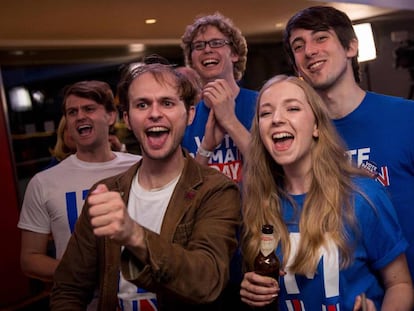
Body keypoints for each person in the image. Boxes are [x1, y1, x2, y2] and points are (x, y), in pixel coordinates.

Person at [50, 62, 241, 310]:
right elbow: (69, 288)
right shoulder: (106, 192)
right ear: (127, 119)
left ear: (190, 114)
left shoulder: (215, 191)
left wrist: (134, 235)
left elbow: (207, 282)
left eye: (167, 103)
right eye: (142, 105)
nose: (154, 113)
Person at [239, 75, 413, 310]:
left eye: (292, 108)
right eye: (266, 113)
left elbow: (400, 284)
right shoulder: (256, 203)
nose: (277, 119)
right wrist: (251, 290)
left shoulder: (362, 197)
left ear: (316, 126)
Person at [282, 5, 414, 281]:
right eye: (298, 45)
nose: (310, 50)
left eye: (321, 38)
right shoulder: (297, 137)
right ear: (296, 66)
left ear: (351, 47)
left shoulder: (406, 117)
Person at [18, 80, 140, 286]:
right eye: (72, 112)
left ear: (111, 116)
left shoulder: (141, 168)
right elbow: (30, 259)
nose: (80, 116)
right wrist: (79, 273)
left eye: (89, 109)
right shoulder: (43, 182)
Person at [181, 12, 258, 183]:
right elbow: (188, 190)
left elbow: (273, 169)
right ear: (191, 61)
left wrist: (230, 121)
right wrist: (206, 148)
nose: (207, 49)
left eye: (216, 43)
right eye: (199, 46)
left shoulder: (262, 104)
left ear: (234, 54)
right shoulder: (186, 117)